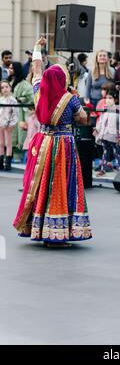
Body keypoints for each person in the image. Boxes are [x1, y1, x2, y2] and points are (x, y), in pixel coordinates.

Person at [13, 37, 92, 246]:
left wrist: (38, 48)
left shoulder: (39, 91)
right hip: (63, 144)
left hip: (42, 143)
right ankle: (57, 231)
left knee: (41, 184)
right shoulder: (70, 98)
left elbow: (37, 70)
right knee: (60, 184)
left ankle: (38, 227)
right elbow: (83, 118)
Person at [94, 89, 120, 176]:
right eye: (107, 98)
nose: (108, 100)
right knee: (105, 153)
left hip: (114, 136)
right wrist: (97, 130)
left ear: (115, 100)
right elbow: (100, 121)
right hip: (104, 135)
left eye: (110, 98)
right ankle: (103, 169)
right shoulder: (105, 109)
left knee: (117, 154)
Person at [8, 62, 34, 152]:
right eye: (9, 68)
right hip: (8, 111)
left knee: (19, 134)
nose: (9, 70)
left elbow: (31, 97)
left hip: (19, 112)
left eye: (11, 68)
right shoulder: (8, 81)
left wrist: (19, 99)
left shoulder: (24, 84)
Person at [0, 81, 19, 171]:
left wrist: (11, 124)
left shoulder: (13, 100)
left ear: (10, 88)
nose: (5, 89)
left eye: (6, 87)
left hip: (8, 126)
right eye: (2, 88)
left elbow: (15, 114)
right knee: (1, 143)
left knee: (8, 143)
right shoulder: (0, 100)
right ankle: (0, 162)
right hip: (0, 125)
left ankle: (8, 163)